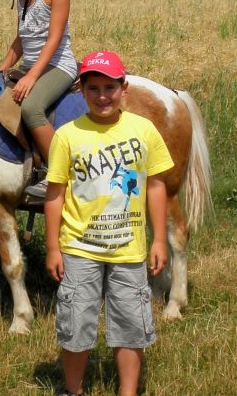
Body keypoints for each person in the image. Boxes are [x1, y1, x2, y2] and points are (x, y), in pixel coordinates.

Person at [43, 51, 171, 396]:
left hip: (128, 248)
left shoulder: (143, 130)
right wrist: (53, 247)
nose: (102, 96)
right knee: (76, 322)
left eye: (110, 88)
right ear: (81, 91)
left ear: (123, 87)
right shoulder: (67, 136)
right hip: (79, 248)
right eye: (94, 88)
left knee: (131, 324)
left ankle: (127, 391)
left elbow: (156, 185)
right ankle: (73, 389)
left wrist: (159, 239)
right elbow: (54, 194)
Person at [0, 0, 78, 199]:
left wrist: (31, 76)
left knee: (32, 107)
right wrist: (0, 69)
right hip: (33, 64)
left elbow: (54, 39)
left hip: (58, 65)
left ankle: (59, 173)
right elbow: (22, 38)